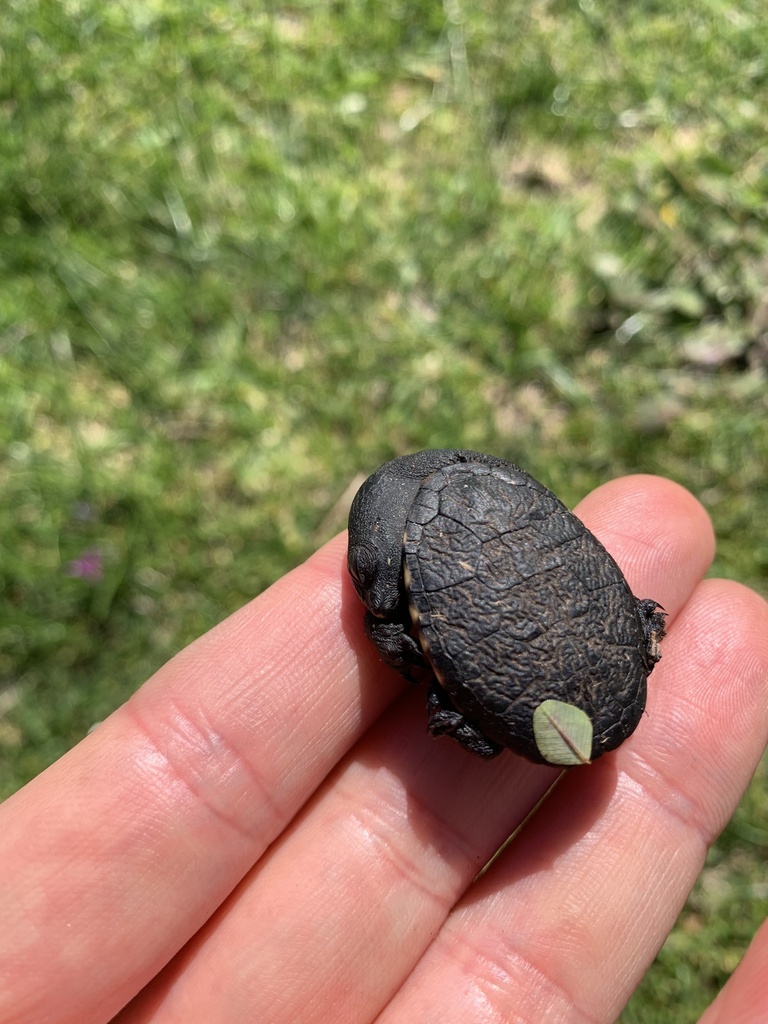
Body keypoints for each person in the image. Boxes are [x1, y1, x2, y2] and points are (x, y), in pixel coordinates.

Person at [1, 475, 767, 1024]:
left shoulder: (430, 545)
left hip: (572, 662)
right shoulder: (484, 489)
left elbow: (392, 635)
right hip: (574, 655)